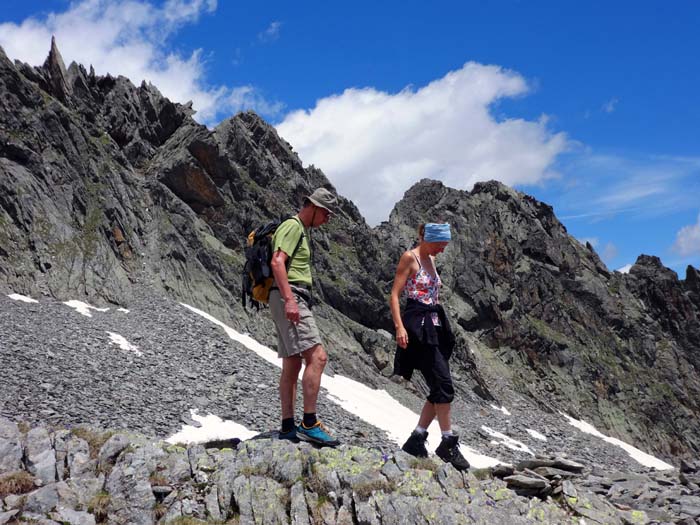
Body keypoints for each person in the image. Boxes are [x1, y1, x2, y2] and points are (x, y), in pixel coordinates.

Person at [389, 223, 470, 470]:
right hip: (417, 325)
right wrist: (399, 327)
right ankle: (447, 441)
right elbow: (394, 294)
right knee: (443, 384)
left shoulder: (431, 259)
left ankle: (417, 437)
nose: (442, 250)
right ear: (429, 239)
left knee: (438, 385)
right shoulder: (409, 258)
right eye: (440, 245)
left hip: (434, 325)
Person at [269, 187, 340, 447]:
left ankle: (288, 426)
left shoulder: (298, 229)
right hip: (292, 295)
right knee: (318, 357)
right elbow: (278, 262)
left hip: (285, 296)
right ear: (314, 207)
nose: (327, 219)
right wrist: (290, 300)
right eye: (326, 213)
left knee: (293, 363)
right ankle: (309, 422)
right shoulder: (294, 226)